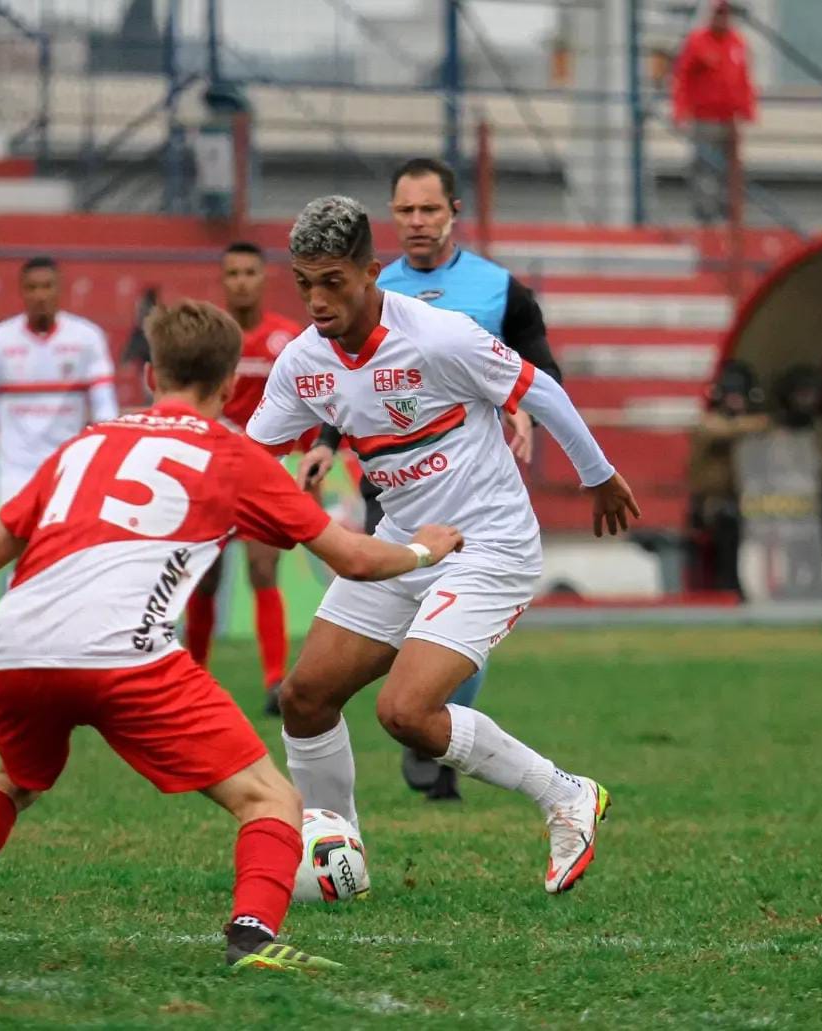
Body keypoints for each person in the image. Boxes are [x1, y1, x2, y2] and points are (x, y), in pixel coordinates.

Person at [0, 300, 464, 970]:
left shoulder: (82, 445)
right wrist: (424, 549)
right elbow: (358, 559)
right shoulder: (231, 455)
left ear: (147, 373)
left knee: (16, 777)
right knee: (270, 797)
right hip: (123, 654)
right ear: (228, 387)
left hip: (20, 647)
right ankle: (252, 933)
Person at [247, 196, 640, 895]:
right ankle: (333, 845)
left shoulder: (437, 335)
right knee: (305, 697)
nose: (316, 299)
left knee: (405, 712)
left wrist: (599, 475)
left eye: (332, 280)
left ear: (371, 272)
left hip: (491, 546)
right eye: (303, 282)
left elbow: (537, 387)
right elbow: (248, 458)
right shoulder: (303, 362)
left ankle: (566, 794)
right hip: (405, 542)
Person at [297, 157, 563, 802]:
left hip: (473, 487)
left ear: (453, 214)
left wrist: (519, 409)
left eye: (429, 210)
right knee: (354, 663)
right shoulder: (361, 286)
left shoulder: (500, 291)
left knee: (434, 653)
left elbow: (539, 368)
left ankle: (436, 747)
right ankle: (350, 808)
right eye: (406, 211)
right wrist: (328, 446)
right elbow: (345, 377)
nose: (417, 222)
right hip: (390, 485)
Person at [184, 243, 303, 715]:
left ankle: (275, 682)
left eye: (249, 272)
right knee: (205, 577)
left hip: (264, 471)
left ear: (264, 278)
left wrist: (310, 463)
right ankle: (194, 678)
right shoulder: (206, 339)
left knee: (261, 568)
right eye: (231, 272)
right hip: (210, 470)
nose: (240, 281)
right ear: (223, 279)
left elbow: (305, 405)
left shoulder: (287, 339)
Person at [0, 256, 119, 518]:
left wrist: (107, 463)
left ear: (59, 290)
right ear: (21, 291)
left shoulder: (87, 338)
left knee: (63, 551)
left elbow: (105, 409)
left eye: (47, 286)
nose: (40, 295)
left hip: (69, 467)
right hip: (15, 471)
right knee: (23, 551)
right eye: (32, 288)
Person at [687, 360, 769, 596]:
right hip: (710, 502)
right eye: (731, 396)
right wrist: (763, 422)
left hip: (748, 498)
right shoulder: (708, 423)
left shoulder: (747, 428)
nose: (736, 402)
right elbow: (722, 429)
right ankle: (728, 585)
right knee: (728, 515)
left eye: (740, 396)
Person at [672, 0, 757, 225]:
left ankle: (727, 213)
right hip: (704, 117)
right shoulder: (697, 42)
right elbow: (682, 78)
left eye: (725, 14)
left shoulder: (737, 43)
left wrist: (748, 110)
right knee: (704, 166)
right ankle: (704, 214)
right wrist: (680, 111)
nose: (721, 19)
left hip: (730, 119)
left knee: (730, 169)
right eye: (717, 14)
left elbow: (744, 79)